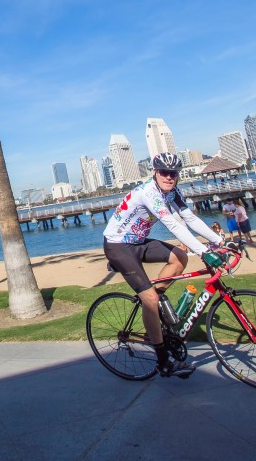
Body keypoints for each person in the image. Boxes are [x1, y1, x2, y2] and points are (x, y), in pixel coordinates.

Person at [102, 152, 224, 378]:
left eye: (173, 174)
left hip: (137, 242)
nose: (169, 177)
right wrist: (205, 252)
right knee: (150, 299)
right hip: (118, 246)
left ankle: (153, 306)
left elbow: (189, 218)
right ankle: (162, 362)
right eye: (165, 173)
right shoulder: (149, 193)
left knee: (180, 257)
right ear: (155, 173)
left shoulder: (172, 191)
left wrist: (219, 241)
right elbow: (174, 226)